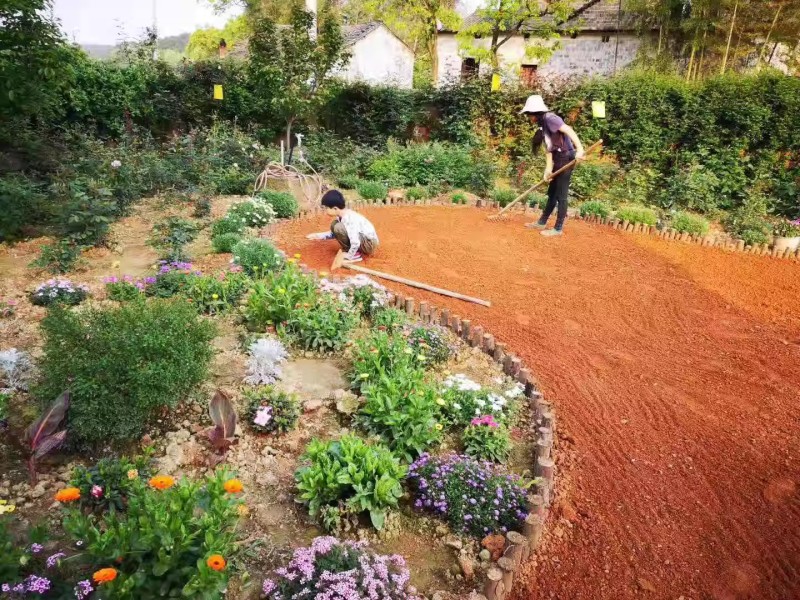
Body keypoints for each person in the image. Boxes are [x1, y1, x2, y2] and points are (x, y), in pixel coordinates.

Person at [520, 95, 585, 236]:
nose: (528, 117)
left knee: (561, 195)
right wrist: (547, 170)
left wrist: (579, 149)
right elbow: (548, 150)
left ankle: (558, 228)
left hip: (567, 158)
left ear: (534, 112)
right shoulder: (542, 124)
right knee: (552, 193)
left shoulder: (550, 118)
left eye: (528, 114)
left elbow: (568, 130)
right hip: (559, 159)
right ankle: (542, 222)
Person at [306, 189, 379, 263]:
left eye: (327, 208)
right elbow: (334, 234)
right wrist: (317, 235)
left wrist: (349, 256)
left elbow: (355, 242)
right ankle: (353, 252)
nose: (325, 210)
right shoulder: (341, 216)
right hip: (364, 240)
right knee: (335, 225)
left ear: (335, 208)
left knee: (338, 227)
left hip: (369, 244)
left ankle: (354, 255)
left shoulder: (349, 219)